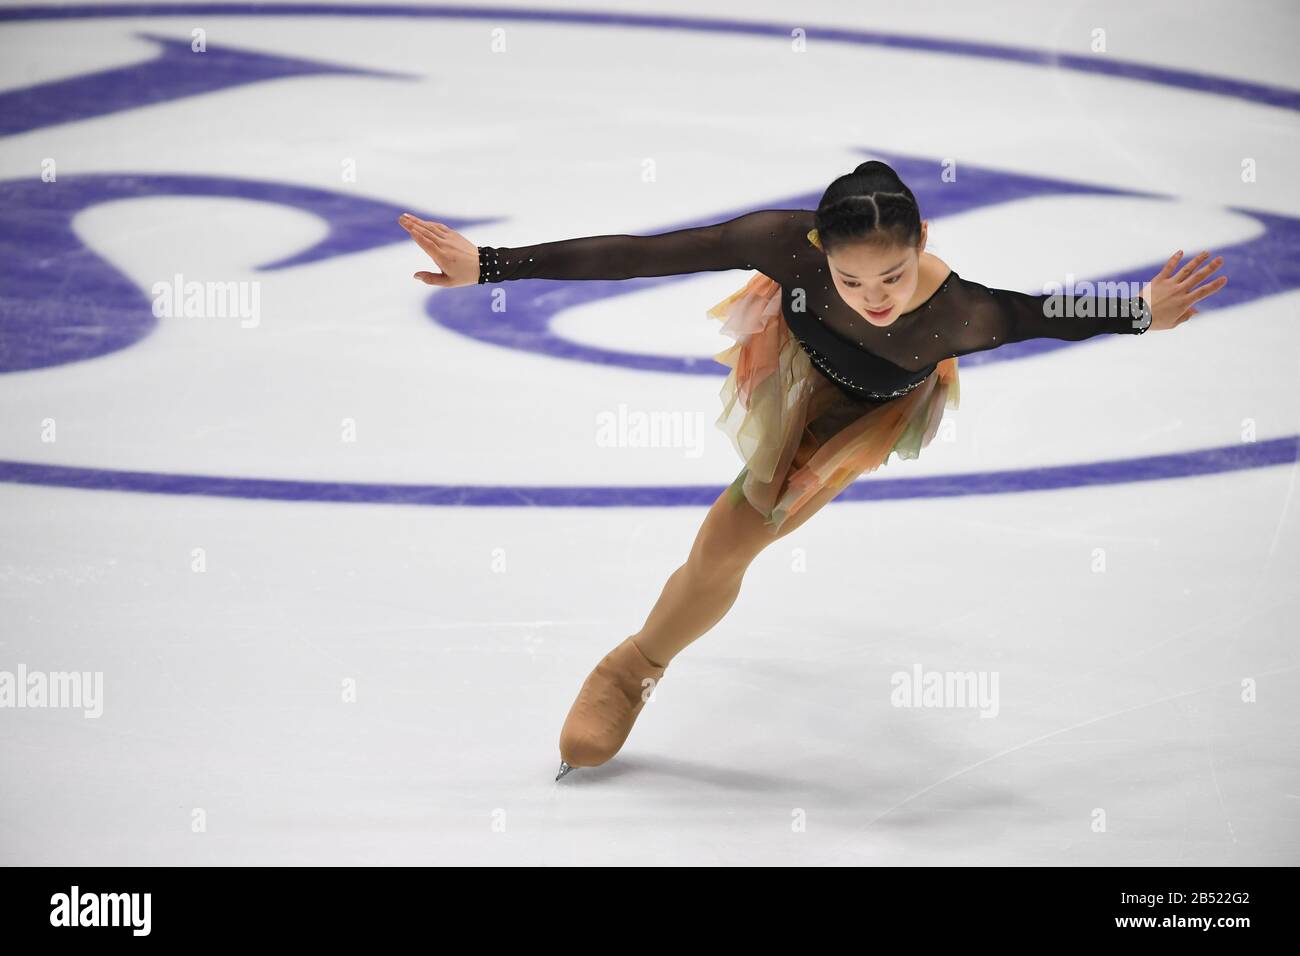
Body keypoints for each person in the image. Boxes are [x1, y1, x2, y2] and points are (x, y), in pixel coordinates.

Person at [397, 161, 1228, 781]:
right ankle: (634, 666)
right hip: (796, 352)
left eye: (895, 276)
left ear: (923, 245)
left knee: (726, 544)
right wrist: (494, 264)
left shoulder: (959, 316)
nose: (876, 296)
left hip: (863, 409)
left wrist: (1138, 312)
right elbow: (644, 254)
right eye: (852, 275)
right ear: (816, 249)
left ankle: (634, 664)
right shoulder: (781, 248)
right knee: (725, 548)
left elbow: (1049, 313)